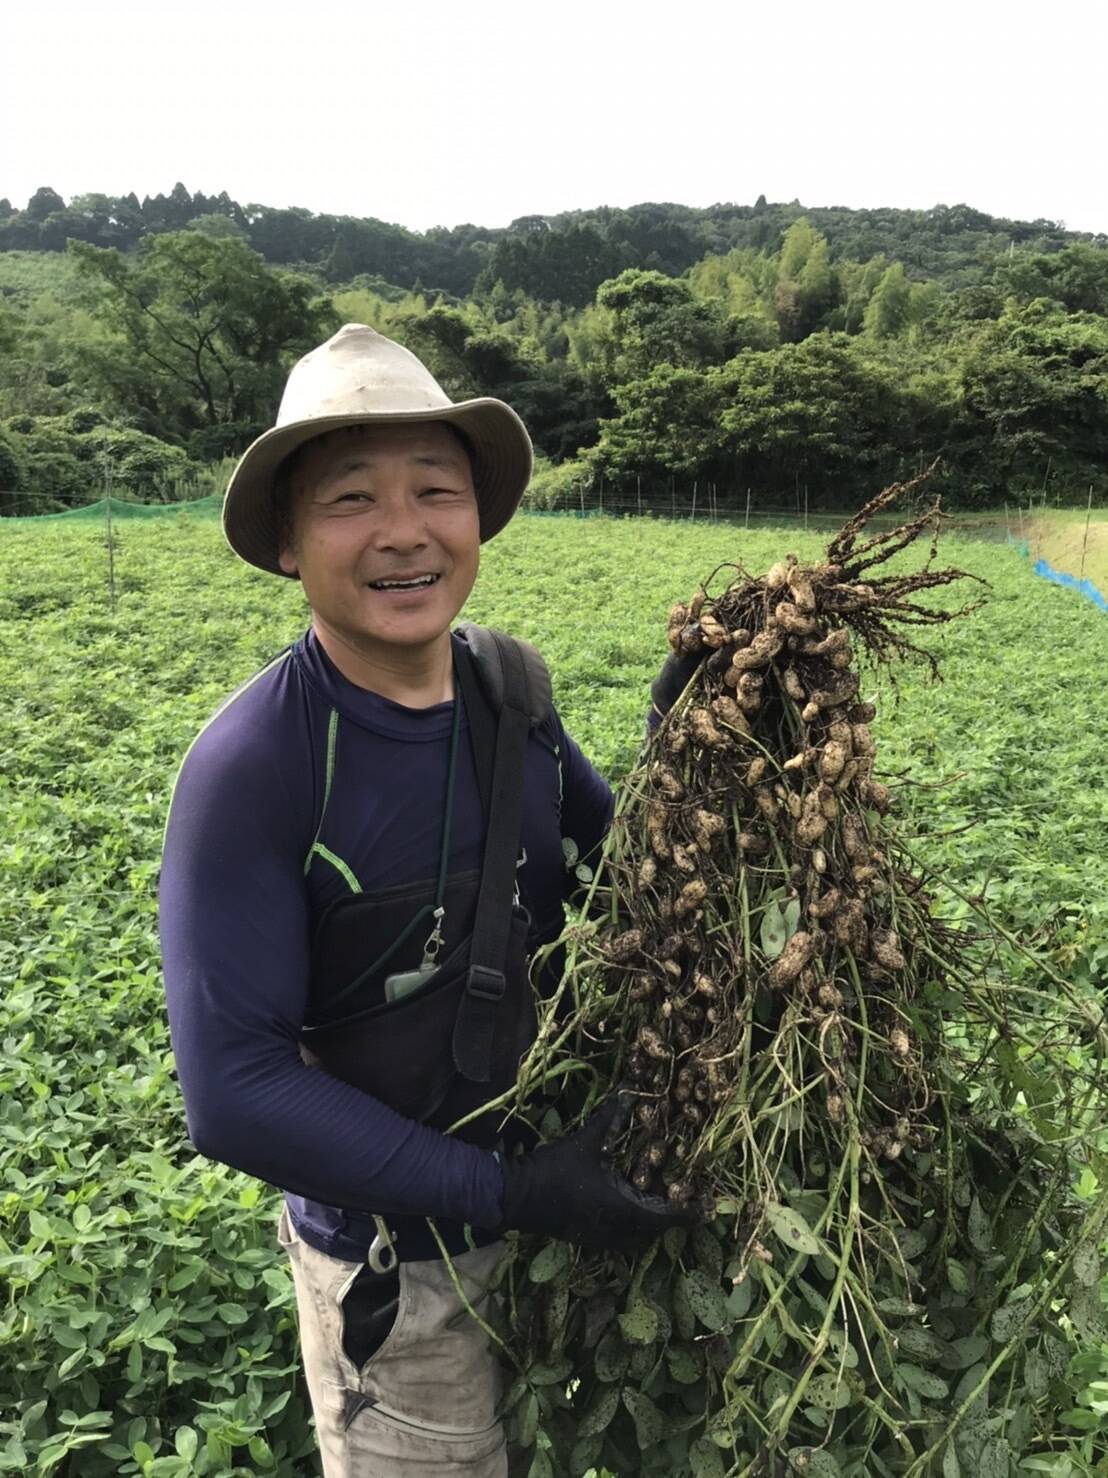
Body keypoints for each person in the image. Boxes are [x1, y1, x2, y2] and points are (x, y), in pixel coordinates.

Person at [159, 324, 697, 1478]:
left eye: (434, 490)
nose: (403, 530)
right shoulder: (256, 764)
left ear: (477, 519)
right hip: (399, 1277)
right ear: (291, 545)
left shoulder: (511, 687)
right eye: (351, 498)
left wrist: (687, 743)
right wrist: (510, 1191)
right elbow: (234, 1091)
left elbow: (619, 878)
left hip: (572, 1216)